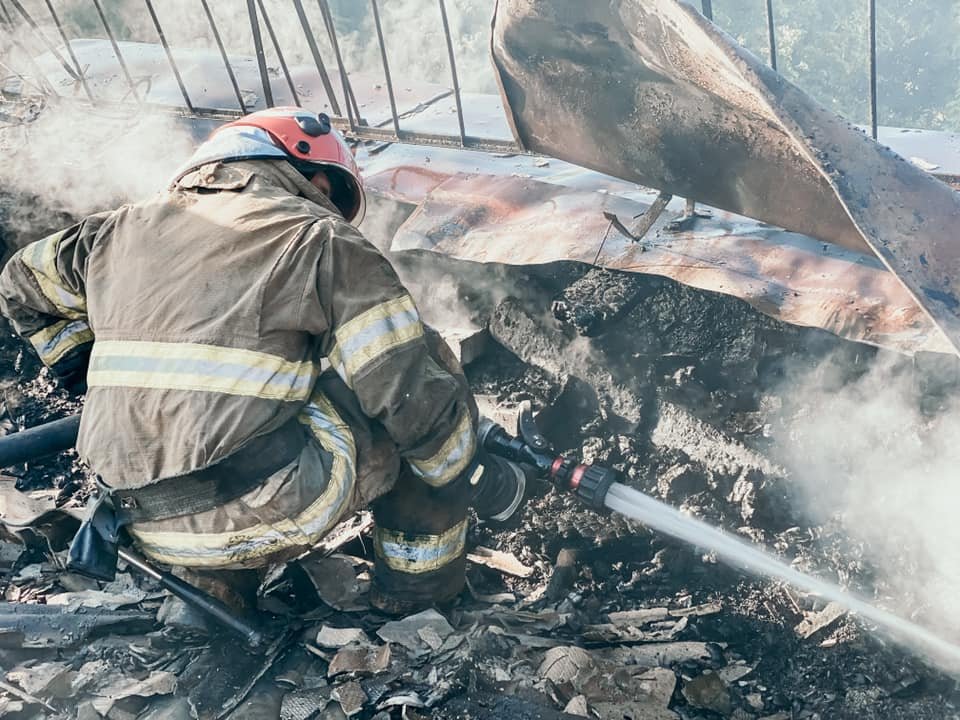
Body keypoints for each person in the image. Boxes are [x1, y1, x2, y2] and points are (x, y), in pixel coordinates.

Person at [0, 107, 527, 614]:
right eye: (332, 193)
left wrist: (89, 371)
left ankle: (216, 587)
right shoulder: (319, 238)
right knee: (424, 378)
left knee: (253, 410)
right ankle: (418, 590)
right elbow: (408, 392)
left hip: (133, 521)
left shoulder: (112, 231)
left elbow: (18, 284)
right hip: (262, 512)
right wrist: (463, 470)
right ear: (314, 178)